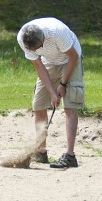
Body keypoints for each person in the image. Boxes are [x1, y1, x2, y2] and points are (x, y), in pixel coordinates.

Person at [16, 17, 84, 168]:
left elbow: (73, 56)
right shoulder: (22, 38)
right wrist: (52, 93)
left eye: (38, 47)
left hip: (70, 60)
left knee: (69, 106)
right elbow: (38, 65)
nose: (36, 51)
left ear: (43, 39)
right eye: (33, 50)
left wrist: (63, 84)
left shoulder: (58, 32)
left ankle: (70, 156)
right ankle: (41, 152)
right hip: (49, 62)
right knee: (38, 106)